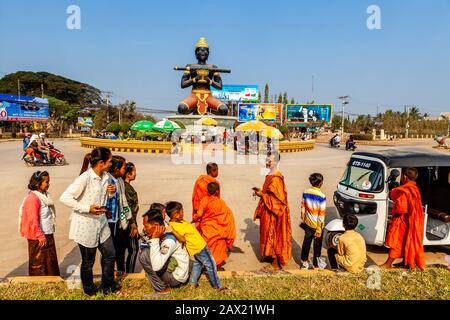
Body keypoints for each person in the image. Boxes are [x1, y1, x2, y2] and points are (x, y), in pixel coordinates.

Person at [59, 147, 119, 296]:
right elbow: (65, 197)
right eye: (109, 161)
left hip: (101, 222)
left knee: (110, 254)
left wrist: (111, 193)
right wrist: (86, 208)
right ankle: (90, 290)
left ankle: (108, 286)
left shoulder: (107, 177)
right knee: (88, 261)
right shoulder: (84, 178)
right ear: (101, 163)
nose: (111, 163)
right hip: (85, 225)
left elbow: (106, 197)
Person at [166, 201, 224, 290]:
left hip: (197, 248)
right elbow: (182, 239)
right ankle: (217, 286)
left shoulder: (178, 221)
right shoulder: (174, 226)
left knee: (198, 264)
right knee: (211, 265)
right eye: (182, 211)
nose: (183, 213)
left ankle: (192, 283)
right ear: (175, 214)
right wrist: (173, 231)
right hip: (200, 247)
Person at [253, 151, 292, 271]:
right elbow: (269, 193)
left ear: (276, 162)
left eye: (270, 161)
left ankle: (275, 262)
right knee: (266, 233)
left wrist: (261, 195)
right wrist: (261, 192)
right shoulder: (270, 174)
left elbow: (277, 201)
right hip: (267, 210)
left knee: (273, 235)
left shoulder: (276, 178)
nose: (267, 162)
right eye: (266, 160)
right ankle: (269, 255)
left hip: (274, 212)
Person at [381, 168, 426, 270]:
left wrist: (392, 219)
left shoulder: (404, 190)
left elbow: (401, 208)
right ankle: (405, 262)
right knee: (407, 240)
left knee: (397, 241)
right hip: (412, 220)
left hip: (402, 220)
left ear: (404, 177)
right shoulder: (415, 189)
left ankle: (388, 264)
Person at [138, 209, 189, 295]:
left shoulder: (169, 239)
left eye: (146, 226)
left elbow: (156, 267)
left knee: (144, 255)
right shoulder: (163, 230)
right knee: (146, 252)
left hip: (176, 277)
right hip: (171, 269)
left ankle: (162, 290)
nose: (144, 229)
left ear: (156, 225)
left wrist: (154, 239)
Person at [19, 171, 60, 276]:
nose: (48, 184)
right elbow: (33, 220)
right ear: (37, 184)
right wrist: (40, 236)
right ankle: (39, 282)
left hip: (47, 232)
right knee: (39, 263)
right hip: (38, 237)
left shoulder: (45, 195)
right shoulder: (33, 199)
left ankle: (52, 280)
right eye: (46, 182)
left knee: (49, 261)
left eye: (49, 181)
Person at [194, 182, 236, 270]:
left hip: (207, 229)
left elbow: (199, 214)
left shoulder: (204, 200)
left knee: (207, 248)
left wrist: (195, 217)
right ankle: (217, 266)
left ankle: (207, 266)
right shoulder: (221, 202)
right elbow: (227, 215)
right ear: (217, 192)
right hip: (219, 230)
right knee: (219, 248)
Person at [106, 155, 134, 276]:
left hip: (119, 221)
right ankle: (108, 275)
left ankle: (120, 272)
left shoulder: (119, 181)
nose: (125, 169)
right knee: (109, 252)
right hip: (108, 222)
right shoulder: (107, 181)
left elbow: (123, 202)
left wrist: (128, 220)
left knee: (120, 249)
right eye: (123, 167)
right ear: (117, 168)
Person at [300, 173, 327, 269]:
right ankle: (316, 264)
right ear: (320, 183)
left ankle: (304, 262)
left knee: (306, 242)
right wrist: (319, 229)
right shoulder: (322, 196)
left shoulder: (306, 192)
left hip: (308, 223)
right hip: (317, 225)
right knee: (317, 245)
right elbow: (321, 214)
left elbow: (303, 207)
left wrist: (303, 219)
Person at [123, 162, 140, 273]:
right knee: (133, 249)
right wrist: (133, 224)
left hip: (129, 221)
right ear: (128, 174)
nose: (135, 173)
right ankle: (130, 273)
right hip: (130, 222)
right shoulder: (127, 188)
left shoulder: (124, 186)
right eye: (134, 171)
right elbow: (128, 207)